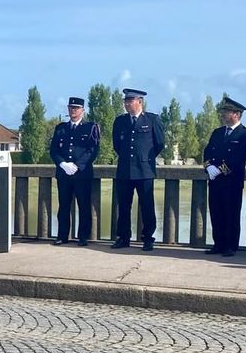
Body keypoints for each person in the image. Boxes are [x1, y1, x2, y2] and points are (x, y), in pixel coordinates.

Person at [111, 88, 165, 251]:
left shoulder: (152, 119)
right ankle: (123, 237)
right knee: (124, 206)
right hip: (125, 170)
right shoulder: (120, 121)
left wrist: (144, 159)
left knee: (147, 205)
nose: (127, 104)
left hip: (145, 170)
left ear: (139, 102)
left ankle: (148, 238)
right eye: (125, 101)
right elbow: (117, 145)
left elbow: (159, 144)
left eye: (130, 101)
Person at [202, 96, 246, 257]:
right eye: (223, 111)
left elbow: (239, 158)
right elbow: (208, 151)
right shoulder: (217, 132)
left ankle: (231, 245)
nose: (223, 115)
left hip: (232, 181)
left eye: (226, 112)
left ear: (236, 114)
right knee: (216, 212)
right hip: (215, 181)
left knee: (231, 213)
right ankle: (218, 243)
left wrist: (221, 169)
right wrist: (209, 166)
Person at [49, 96, 100, 246]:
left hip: (82, 174)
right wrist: (63, 164)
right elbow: (53, 150)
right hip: (64, 173)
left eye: (76, 108)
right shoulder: (61, 128)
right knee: (63, 206)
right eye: (71, 108)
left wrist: (77, 165)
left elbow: (93, 150)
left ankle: (83, 237)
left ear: (83, 110)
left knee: (84, 206)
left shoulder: (90, 128)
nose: (73, 110)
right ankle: (62, 236)